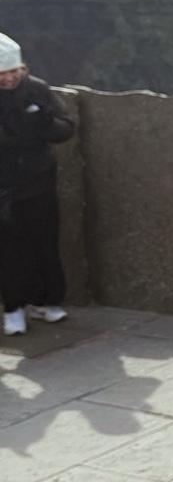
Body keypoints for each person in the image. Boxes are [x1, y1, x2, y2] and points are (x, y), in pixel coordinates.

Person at [0, 33, 74, 338]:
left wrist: (46, 122)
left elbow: (65, 130)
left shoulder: (38, 90)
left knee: (44, 242)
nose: (8, 79)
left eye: (13, 72)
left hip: (39, 181)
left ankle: (48, 300)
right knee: (9, 248)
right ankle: (14, 307)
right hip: (4, 186)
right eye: (1, 74)